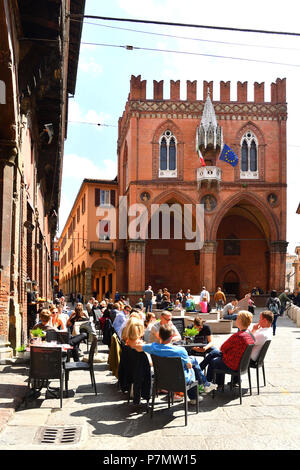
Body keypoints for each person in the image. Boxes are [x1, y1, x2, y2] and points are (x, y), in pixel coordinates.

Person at [133, 324, 217, 404]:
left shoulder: (153, 347)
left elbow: (138, 348)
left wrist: (136, 341)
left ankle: (204, 386)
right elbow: (189, 366)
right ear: (171, 337)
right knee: (192, 367)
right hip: (180, 381)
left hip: (161, 381)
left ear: (159, 335)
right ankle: (196, 395)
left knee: (192, 361)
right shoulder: (180, 351)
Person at [204, 311, 255, 386]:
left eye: (237, 318)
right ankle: (218, 384)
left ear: (240, 321)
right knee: (215, 354)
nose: (236, 320)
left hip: (233, 365)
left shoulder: (238, 336)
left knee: (213, 361)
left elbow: (223, 348)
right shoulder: (250, 335)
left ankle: (208, 383)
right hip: (242, 365)